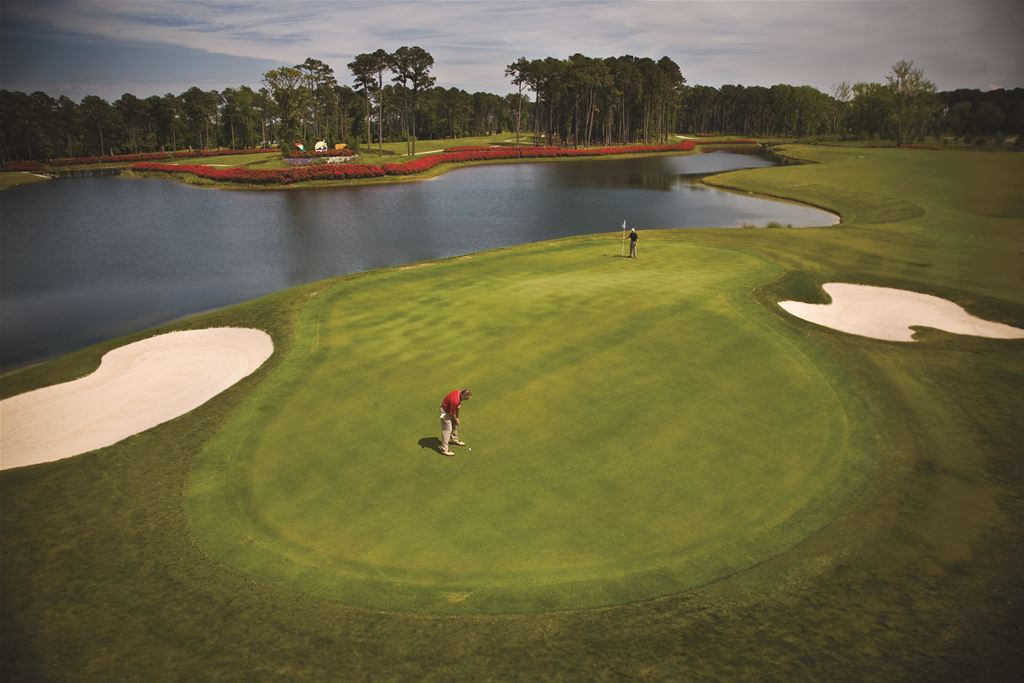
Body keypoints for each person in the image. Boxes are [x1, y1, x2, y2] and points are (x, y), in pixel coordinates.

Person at [439, 388, 472, 456]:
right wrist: (456, 419)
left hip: (449, 409)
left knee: (454, 424)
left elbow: (457, 408)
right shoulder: (455, 400)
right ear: (463, 395)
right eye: (467, 398)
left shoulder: (458, 393)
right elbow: (451, 413)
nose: (467, 399)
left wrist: (457, 418)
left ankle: (454, 440)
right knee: (447, 429)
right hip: (444, 412)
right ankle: (444, 449)